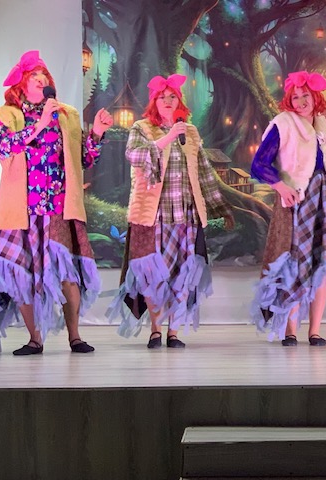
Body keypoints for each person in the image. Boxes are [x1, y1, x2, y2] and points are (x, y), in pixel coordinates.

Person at [0, 50, 113, 355]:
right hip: (21, 209)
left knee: (66, 273)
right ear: (22, 85)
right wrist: (38, 124)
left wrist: (97, 133)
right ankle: (34, 339)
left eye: (44, 76)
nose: (41, 81)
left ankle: (75, 337)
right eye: (34, 77)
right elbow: (3, 147)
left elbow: (82, 160)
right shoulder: (6, 115)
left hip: (58, 208)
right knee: (20, 274)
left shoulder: (66, 115)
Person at [107, 74, 234, 348]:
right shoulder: (142, 128)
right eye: (162, 97)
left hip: (185, 216)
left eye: (172, 97)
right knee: (153, 275)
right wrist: (167, 139)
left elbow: (204, 173)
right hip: (153, 216)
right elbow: (133, 155)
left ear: (179, 102)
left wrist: (221, 208)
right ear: (154, 102)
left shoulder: (190, 132)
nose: (167, 101)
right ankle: (156, 329)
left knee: (182, 275)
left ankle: (173, 332)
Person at [250, 71, 326, 346]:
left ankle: (314, 331)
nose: (301, 101)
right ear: (289, 100)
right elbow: (259, 164)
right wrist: (281, 187)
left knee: (322, 266)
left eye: (306, 95)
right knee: (295, 264)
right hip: (296, 201)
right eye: (296, 97)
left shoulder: (324, 126)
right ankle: (290, 330)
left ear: (315, 97)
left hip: (323, 200)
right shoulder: (283, 123)